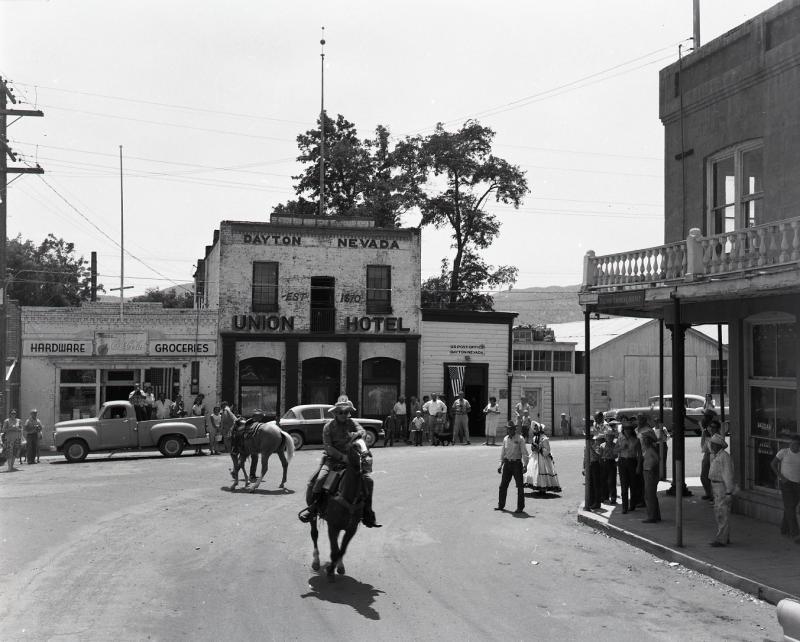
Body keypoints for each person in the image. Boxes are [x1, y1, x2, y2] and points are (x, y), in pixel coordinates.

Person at [299, 395, 380, 528]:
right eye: (341, 412)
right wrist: (343, 457)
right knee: (319, 480)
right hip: (332, 460)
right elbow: (328, 447)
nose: (344, 414)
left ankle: (368, 512)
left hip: (352, 460)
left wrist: (359, 435)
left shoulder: (352, 423)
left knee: (369, 482)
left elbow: (362, 431)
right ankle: (313, 509)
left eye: (347, 412)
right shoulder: (328, 427)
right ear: (335, 413)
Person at [771, 433, 800, 543]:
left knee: (790, 507)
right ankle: (795, 533)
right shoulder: (783, 452)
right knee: (790, 507)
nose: (794, 446)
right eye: (792, 444)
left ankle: (784, 528)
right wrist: (781, 477)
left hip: (797, 484)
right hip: (786, 483)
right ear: (790, 443)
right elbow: (773, 464)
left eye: (797, 444)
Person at [495, 421, 529, 514]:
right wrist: (500, 464)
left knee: (520, 486)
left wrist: (525, 465)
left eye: (511, 429)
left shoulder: (520, 438)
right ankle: (501, 505)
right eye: (508, 429)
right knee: (502, 486)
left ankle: (520, 507)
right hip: (507, 464)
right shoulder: (505, 439)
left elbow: (524, 453)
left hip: (517, 464)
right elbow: (503, 453)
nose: (509, 430)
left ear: (515, 429)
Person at [708, 431, 735, 546]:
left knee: (722, 513)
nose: (711, 446)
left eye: (713, 444)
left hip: (721, 487)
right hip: (716, 486)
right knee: (719, 512)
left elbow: (727, 475)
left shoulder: (724, 457)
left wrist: (729, 492)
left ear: (718, 445)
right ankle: (724, 537)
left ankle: (722, 539)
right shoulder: (716, 456)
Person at [524, 422, 561, 494]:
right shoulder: (535, 438)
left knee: (542, 470)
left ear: (540, 429)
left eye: (536, 428)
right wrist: (533, 448)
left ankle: (543, 487)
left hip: (543, 458)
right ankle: (537, 485)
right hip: (535, 457)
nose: (535, 429)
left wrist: (540, 449)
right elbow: (533, 447)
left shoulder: (544, 438)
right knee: (534, 470)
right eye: (534, 428)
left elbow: (548, 450)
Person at [616, 420, 641, 514]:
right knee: (624, 485)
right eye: (625, 429)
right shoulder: (620, 439)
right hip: (622, 461)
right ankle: (624, 507)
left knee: (633, 484)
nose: (627, 431)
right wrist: (621, 448)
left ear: (631, 430)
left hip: (632, 461)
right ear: (623, 430)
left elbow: (639, 454)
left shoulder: (636, 440)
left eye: (629, 429)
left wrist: (638, 466)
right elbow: (615, 451)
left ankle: (633, 504)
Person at [640, 432, 661, 523]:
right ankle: (656, 515)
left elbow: (657, 459)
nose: (643, 440)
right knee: (650, 495)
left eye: (645, 439)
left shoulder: (651, 449)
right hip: (647, 472)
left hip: (650, 472)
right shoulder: (647, 448)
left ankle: (651, 516)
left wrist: (652, 468)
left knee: (649, 495)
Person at [699, 409, 719, 500]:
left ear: (708, 418)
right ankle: (709, 493)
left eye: (704, 416)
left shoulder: (711, 429)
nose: (702, 418)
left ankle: (712, 495)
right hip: (707, 454)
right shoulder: (706, 428)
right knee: (704, 476)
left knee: (709, 476)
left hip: (712, 454)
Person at [598, 427, 618, 504]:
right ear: (605, 437)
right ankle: (604, 497)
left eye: (611, 436)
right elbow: (600, 455)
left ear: (613, 437)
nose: (609, 438)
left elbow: (616, 455)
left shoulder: (615, 445)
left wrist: (612, 455)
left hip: (611, 462)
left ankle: (613, 498)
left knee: (612, 481)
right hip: (604, 463)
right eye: (608, 436)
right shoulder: (602, 445)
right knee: (603, 480)